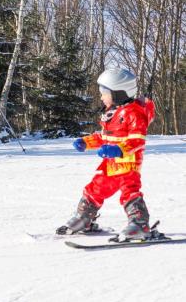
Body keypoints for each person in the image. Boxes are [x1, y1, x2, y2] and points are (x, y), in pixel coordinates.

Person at [56, 68, 155, 241]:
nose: (101, 96)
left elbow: (137, 140)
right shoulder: (112, 113)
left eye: (104, 92)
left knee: (129, 191)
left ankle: (139, 223)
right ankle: (84, 217)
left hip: (128, 163)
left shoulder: (134, 113)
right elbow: (103, 137)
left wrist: (118, 149)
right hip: (110, 164)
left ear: (118, 93)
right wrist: (86, 142)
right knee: (95, 188)